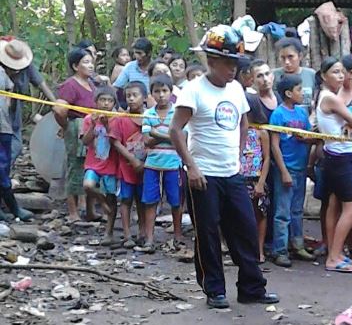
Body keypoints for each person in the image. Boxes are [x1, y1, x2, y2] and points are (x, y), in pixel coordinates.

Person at [169, 23, 277, 310]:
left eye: (236, 63)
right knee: (207, 232)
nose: (233, 69)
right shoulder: (193, 91)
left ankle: (252, 287)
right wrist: (191, 167)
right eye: (229, 63)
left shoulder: (237, 91)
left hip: (231, 173)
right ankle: (214, 289)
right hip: (203, 174)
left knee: (245, 228)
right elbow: (175, 130)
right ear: (212, 61)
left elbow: (243, 123)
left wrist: (239, 157)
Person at [314, 57, 352, 273]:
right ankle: (333, 257)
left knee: (335, 205)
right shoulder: (331, 99)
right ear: (324, 75)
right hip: (340, 158)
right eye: (335, 72)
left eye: (342, 72)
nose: (341, 76)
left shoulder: (327, 97)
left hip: (334, 156)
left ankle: (336, 253)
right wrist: (349, 122)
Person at [269, 73, 313, 267]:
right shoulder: (278, 114)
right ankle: (279, 250)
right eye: (298, 89)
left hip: (301, 167)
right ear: (288, 93)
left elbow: (310, 136)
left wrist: (308, 139)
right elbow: (275, 145)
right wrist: (283, 170)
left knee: (297, 209)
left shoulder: (302, 113)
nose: (301, 93)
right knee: (282, 211)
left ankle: (298, 244)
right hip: (286, 168)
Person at [54, 47, 99, 223]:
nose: (90, 65)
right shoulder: (70, 85)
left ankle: (89, 210)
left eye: (91, 61)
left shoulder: (92, 84)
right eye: (85, 62)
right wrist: (67, 126)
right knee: (75, 168)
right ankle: (73, 212)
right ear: (75, 66)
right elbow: (59, 109)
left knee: (92, 167)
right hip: (77, 127)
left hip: (92, 128)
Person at [141, 74, 184, 252]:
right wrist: (170, 137)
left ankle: (178, 236)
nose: (161, 95)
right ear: (151, 94)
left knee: (176, 202)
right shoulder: (148, 113)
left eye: (164, 91)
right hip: (152, 164)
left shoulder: (178, 113)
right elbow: (146, 140)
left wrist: (157, 134)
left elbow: (182, 139)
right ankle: (149, 239)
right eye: (157, 91)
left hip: (174, 164)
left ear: (171, 92)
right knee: (150, 201)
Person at [0, 37, 56, 166]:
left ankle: (5, 176)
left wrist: (55, 104)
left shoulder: (27, 67)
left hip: (14, 112)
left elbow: (41, 84)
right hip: (1, 113)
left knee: (16, 147)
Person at [109, 80, 147, 248]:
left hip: (146, 167)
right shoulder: (121, 119)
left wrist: (144, 160)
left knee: (142, 200)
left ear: (144, 98)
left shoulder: (149, 117)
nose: (131, 99)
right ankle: (126, 234)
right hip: (126, 168)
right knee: (126, 200)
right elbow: (116, 142)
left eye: (135, 95)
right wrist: (132, 159)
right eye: (128, 96)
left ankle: (142, 231)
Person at [81, 85, 120, 244]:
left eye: (109, 100)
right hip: (93, 163)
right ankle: (101, 202)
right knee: (88, 185)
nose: (106, 103)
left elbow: (116, 139)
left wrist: (107, 125)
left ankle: (108, 233)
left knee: (112, 198)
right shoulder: (89, 118)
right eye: (102, 100)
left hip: (111, 165)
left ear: (114, 103)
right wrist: (93, 124)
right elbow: (85, 141)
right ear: (96, 102)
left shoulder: (117, 119)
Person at [0, 63, 34, 223]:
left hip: (4, 127)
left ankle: (8, 208)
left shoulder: (6, 78)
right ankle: (13, 207)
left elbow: (9, 103)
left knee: (3, 167)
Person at [240, 91, 271, 265]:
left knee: (260, 214)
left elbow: (267, 158)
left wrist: (261, 182)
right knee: (241, 216)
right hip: (238, 178)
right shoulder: (236, 129)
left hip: (255, 178)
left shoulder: (261, 132)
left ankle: (259, 250)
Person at [272, 37, 315, 104]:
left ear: (300, 56)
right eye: (283, 58)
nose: (287, 62)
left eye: (290, 57)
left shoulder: (311, 74)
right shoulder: (273, 76)